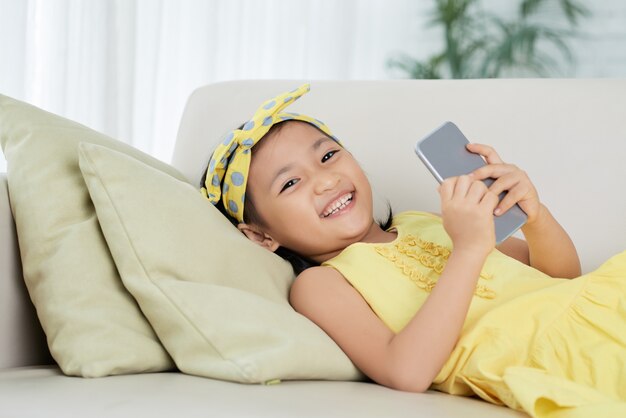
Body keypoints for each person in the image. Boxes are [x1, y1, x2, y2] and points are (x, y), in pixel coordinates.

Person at [200, 84, 626, 418]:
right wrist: (468, 250)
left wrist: (535, 216)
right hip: (553, 357)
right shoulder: (321, 284)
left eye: (329, 155)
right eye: (290, 183)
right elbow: (407, 371)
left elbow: (561, 280)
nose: (325, 180)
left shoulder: (424, 221)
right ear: (260, 236)